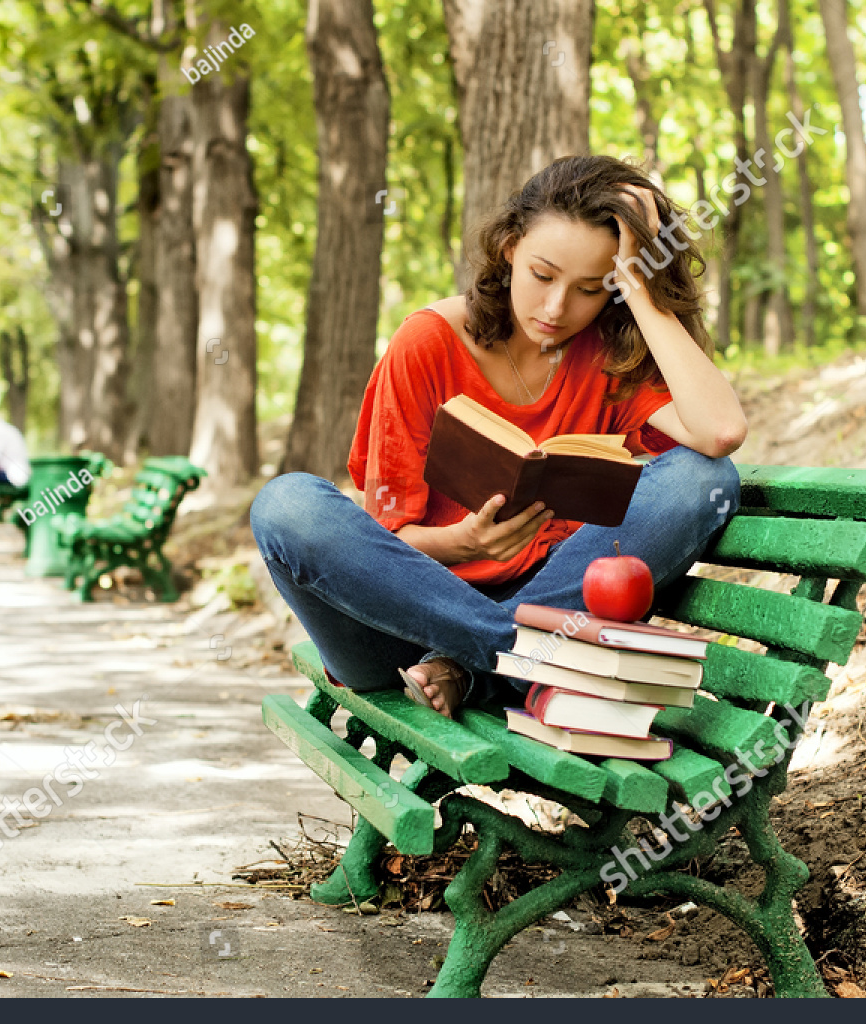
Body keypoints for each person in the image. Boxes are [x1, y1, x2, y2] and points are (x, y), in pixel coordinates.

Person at [250, 155, 748, 718]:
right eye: (542, 275)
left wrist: (640, 288)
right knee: (285, 503)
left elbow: (721, 432)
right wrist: (463, 544)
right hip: (398, 630)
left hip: (552, 602)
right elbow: (381, 549)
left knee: (703, 477)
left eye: (590, 288)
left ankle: (477, 666)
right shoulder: (426, 343)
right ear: (509, 246)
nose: (557, 308)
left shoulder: (610, 355)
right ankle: (513, 653)